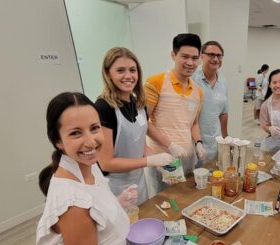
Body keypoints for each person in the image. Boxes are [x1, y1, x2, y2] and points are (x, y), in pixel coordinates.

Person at [36, 92, 171, 245]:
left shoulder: (86, 165)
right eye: (76, 133)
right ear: (58, 140)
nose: (91, 141)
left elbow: (94, 213)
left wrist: (116, 202)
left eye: (94, 128)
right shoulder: (71, 202)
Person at [95, 47, 172, 205]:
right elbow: (106, 162)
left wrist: (159, 163)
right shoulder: (104, 108)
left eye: (132, 70)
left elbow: (140, 146)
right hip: (115, 187)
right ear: (108, 74)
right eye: (121, 70)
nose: (128, 76)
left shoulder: (138, 103)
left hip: (138, 182)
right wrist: (149, 162)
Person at [144, 33, 205, 193]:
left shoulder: (198, 91)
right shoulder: (155, 82)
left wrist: (198, 142)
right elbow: (143, 123)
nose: (190, 63)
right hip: (162, 158)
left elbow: (194, 123)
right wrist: (169, 145)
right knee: (163, 203)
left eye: (195, 58)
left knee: (185, 198)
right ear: (173, 55)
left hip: (187, 157)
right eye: (185, 56)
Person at [192, 41, 228, 161]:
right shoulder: (192, 79)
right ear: (202, 56)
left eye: (219, 55)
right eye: (211, 55)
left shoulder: (223, 82)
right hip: (195, 143)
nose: (216, 59)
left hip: (215, 142)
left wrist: (225, 138)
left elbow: (223, 112)